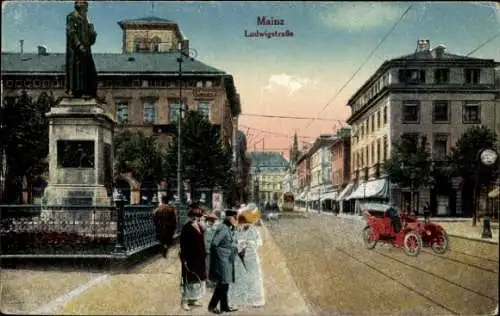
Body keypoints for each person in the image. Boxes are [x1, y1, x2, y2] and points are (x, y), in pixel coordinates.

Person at [229, 204, 265, 308]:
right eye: (242, 223)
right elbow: (233, 241)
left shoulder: (254, 230)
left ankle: (256, 300)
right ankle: (238, 300)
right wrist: (238, 243)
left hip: (250, 257)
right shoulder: (237, 231)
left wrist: (248, 243)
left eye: (246, 223)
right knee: (239, 278)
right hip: (239, 257)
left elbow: (259, 242)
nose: (244, 225)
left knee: (254, 278)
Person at [208, 209, 240, 314]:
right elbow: (214, 244)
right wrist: (223, 255)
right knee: (222, 285)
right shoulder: (223, 228)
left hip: (226, 261)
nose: (236, 219)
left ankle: (224, 306)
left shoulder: (227, 228)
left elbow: (227, 243)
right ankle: (212, 306)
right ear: (229, 218)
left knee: (225, 285)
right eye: (234, 217)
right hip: (223, 262)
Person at [65, 0, 98, 99]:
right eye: (85, 7)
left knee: (91, 71)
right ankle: (77, 93)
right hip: (76, 51)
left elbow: (91, 40)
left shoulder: (85, 19)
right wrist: (79, 45)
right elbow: (71, 33)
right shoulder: (71, 17)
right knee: (78, 72)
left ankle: (90, 93)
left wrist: (92, 30)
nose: (87, 9)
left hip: (86, 50)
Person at [179, 204, 207, 311]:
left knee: (197, 278)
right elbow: (183, 245)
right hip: (190, 258)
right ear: (190, 216)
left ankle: (193, 299)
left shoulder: (200, 227)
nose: (196, 218)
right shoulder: (186, 228)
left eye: (198, 216)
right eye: (194, 216)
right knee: (189, 278)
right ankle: (185, 300)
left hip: (199, 257)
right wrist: (184, 259)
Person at [203, 212, 219, 289]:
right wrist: (206, 249)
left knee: (213, 265)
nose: (211, 222)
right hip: (207, 250)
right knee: (207, 266)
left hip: (213, 250)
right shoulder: (205, 229)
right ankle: (207, 280)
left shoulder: (215, 229)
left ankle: (212, 280)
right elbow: (205, 240)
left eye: (212, 220)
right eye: (210, 220)